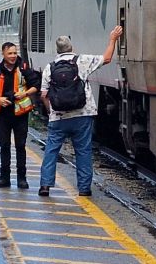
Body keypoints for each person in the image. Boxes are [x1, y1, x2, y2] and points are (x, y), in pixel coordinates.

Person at [38, 26, 122, 197]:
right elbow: (107, 58)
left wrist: (51, 112)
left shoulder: (50, 67)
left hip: (58, 117)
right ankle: (84, 188)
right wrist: (113, 39)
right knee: (83, 151)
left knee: (51, 151)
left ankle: (45, 185)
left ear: (57, 50)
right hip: (82, 115)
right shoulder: (82, 61)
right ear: (72, 48)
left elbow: (44, 95)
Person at [0, 41, 40, 189]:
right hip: (3, 114)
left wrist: (25, 94)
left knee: (20, 145)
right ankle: (4, 178)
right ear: (3, 54)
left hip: (20, 113)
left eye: (15, 53)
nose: (13, 56)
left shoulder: (24, 68)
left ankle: (22, 179)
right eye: (10, 53)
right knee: (4, 145)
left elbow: (36, 85)